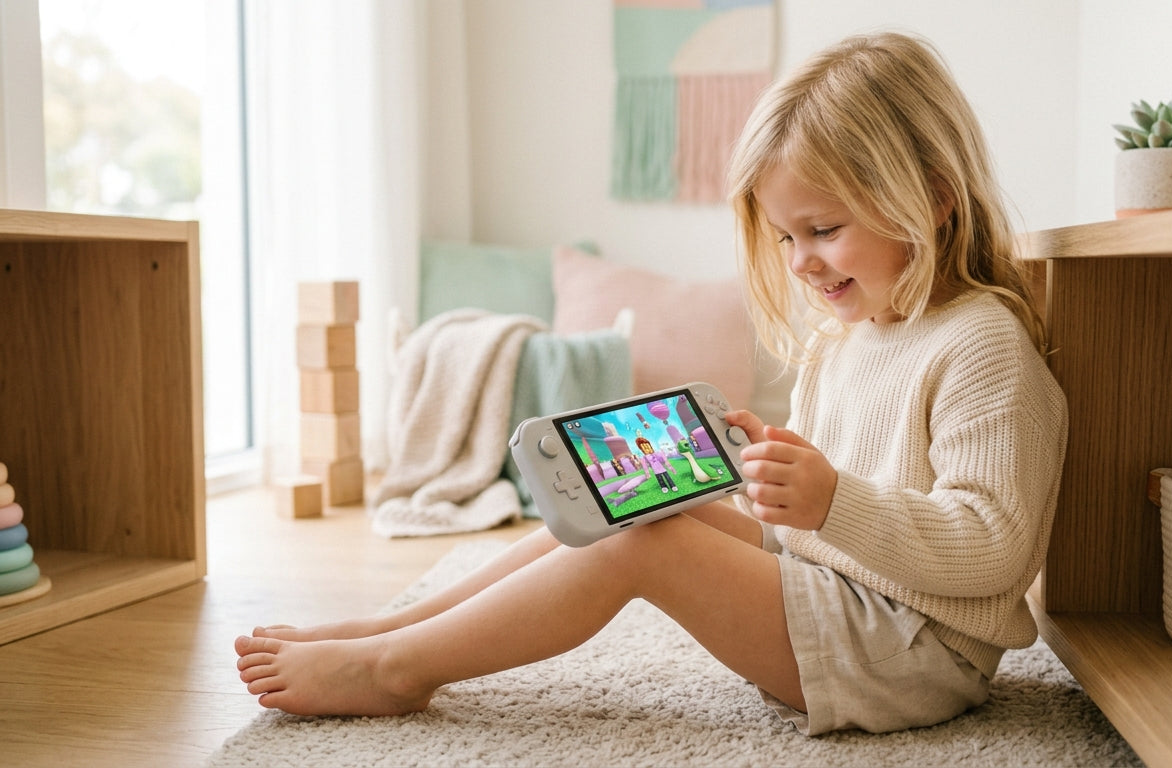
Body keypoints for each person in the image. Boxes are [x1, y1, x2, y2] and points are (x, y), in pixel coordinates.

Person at [234, 30, 1067, 736]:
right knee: (624, 496)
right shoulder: (851, 337)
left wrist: (830, 502)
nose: (800, 262)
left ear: (933, 197)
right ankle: (396, 627)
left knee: (644, 544)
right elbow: (825, 523)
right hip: (842, 591)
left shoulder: (981, 343)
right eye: (785, 238)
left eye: (822, 229)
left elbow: (993, 545)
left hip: (913, 651)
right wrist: (775, 482)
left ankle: (394, 668)